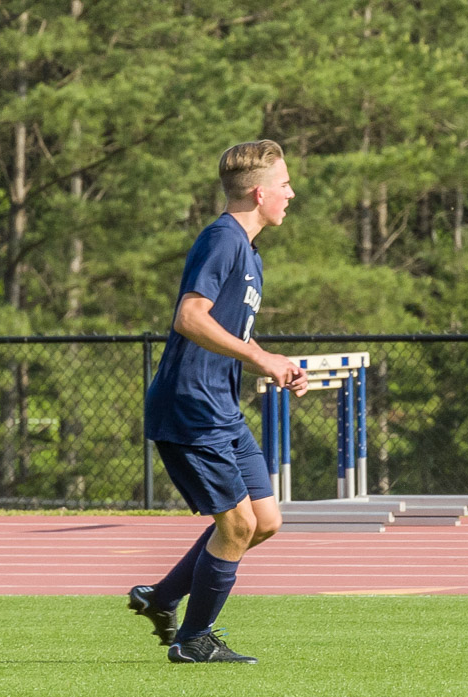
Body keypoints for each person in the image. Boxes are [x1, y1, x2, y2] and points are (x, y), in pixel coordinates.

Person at [128, 140, 306, 664]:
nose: (291, 194)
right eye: (284, 185)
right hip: (190, 407)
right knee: (237, 525)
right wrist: (265, 358)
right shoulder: (223, 240)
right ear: (259, 192)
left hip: (221, 407)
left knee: (266, 520)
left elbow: (224, 332)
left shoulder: (249, 252)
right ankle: (192, 640)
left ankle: (161, 598)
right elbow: (190, 316)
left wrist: (269, 363)